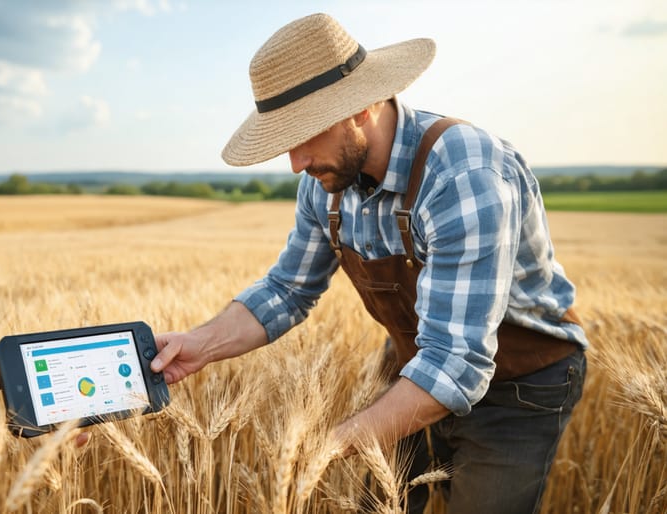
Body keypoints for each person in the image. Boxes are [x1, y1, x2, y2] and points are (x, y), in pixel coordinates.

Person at [150, 13, 587, 514]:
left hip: (520, 384)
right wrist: (198, 345)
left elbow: (456, 364)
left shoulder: (464, 174)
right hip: (414, 366)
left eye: (303, 135)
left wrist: (330, 445)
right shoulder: (325, 184)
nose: (295, 163)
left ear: (359, 108)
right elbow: (287, 289)